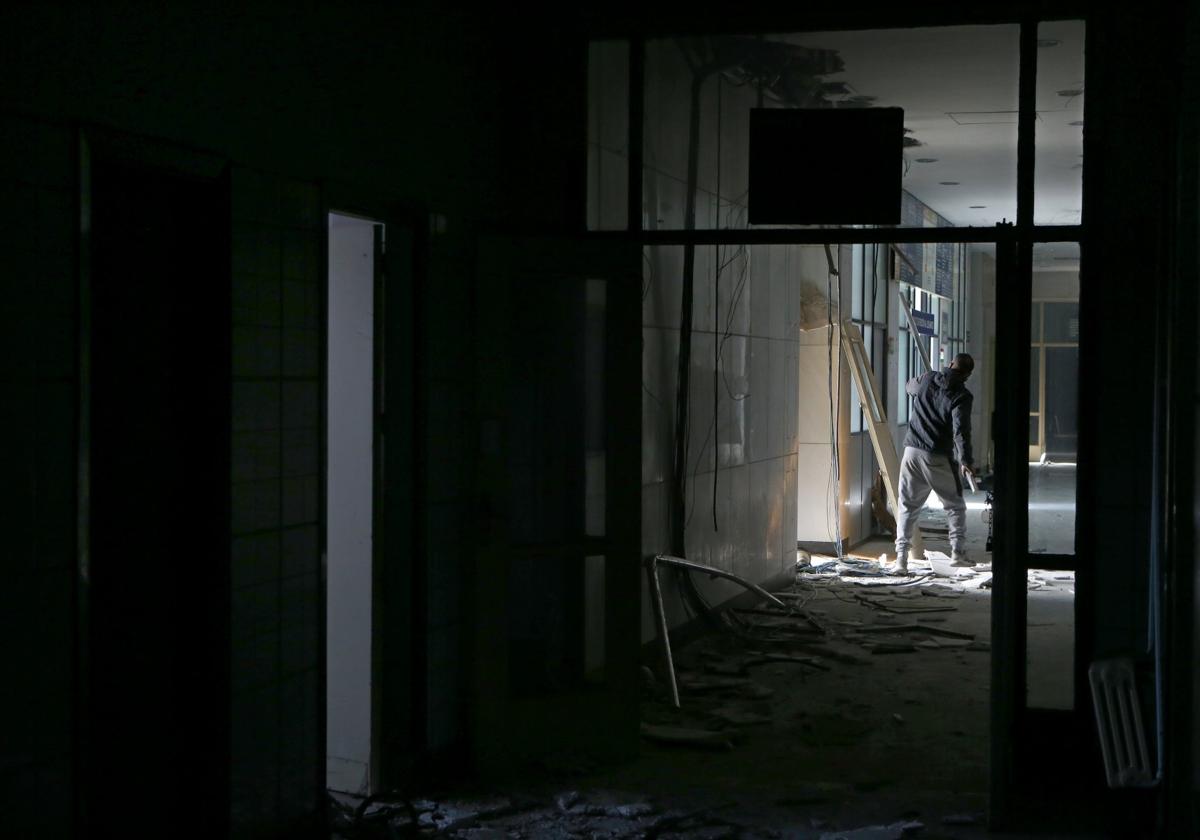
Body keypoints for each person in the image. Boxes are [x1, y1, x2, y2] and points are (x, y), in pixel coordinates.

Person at [892, 353, 978, 572]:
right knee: (955, 505)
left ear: (950, 364)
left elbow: (909, 387)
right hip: (937, 456)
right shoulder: (962, 395)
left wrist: (924, 384)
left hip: (911, 452)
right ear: (967, 375)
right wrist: (966, 460)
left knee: (907, 506)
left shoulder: (929, 379)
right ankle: (957, 553)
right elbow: (961, 431)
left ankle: (901, 560)